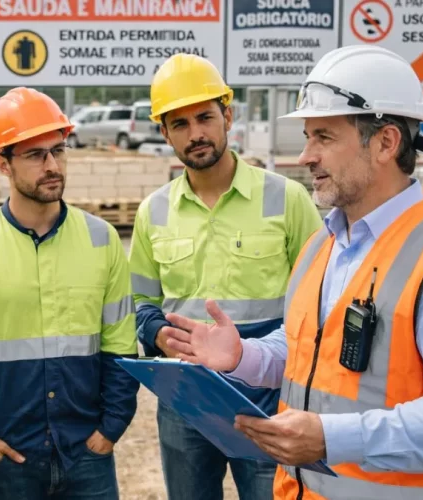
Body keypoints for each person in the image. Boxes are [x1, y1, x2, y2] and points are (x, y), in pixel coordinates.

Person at [163, 45, 423, 500]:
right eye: (307, 136)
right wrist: (243, 355)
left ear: (385, 143)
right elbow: (309, 348)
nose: (305, 156)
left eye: (323, 136)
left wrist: (330, 438)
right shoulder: (325, 242)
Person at [0, 87, 140, 499]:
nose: (51, 165)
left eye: (58, 151)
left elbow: (121, 344)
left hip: (87, 456)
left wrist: (111, 428)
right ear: (2, 163)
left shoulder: (102, 239)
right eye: (34, 155)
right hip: (5, 460)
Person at [128, 53, 323, 500]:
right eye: (179, 124)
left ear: (227, 115)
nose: (195, 133)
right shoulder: (153, 212)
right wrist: (156, 332)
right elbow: (139, 303)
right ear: (164, 133)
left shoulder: (287, 200)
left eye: (204, 117)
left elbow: (321, 300)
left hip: (266, 395)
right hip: (184, 400)